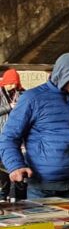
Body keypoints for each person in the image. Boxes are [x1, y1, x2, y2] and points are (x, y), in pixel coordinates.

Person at [0, 52, 69, 199]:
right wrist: (16, 166)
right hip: (42, 186)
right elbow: (9, 137)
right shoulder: (32, 98)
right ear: (62, 77)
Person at [0, 69, 26, 199]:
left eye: (14, 83)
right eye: (9, 83)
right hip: (2, 135)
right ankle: (3, 196)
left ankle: (20, 198)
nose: (12, 86)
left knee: (18, 168)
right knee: (3, 172)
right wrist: (9, 107)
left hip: (18, 137)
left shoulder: (23, 93)